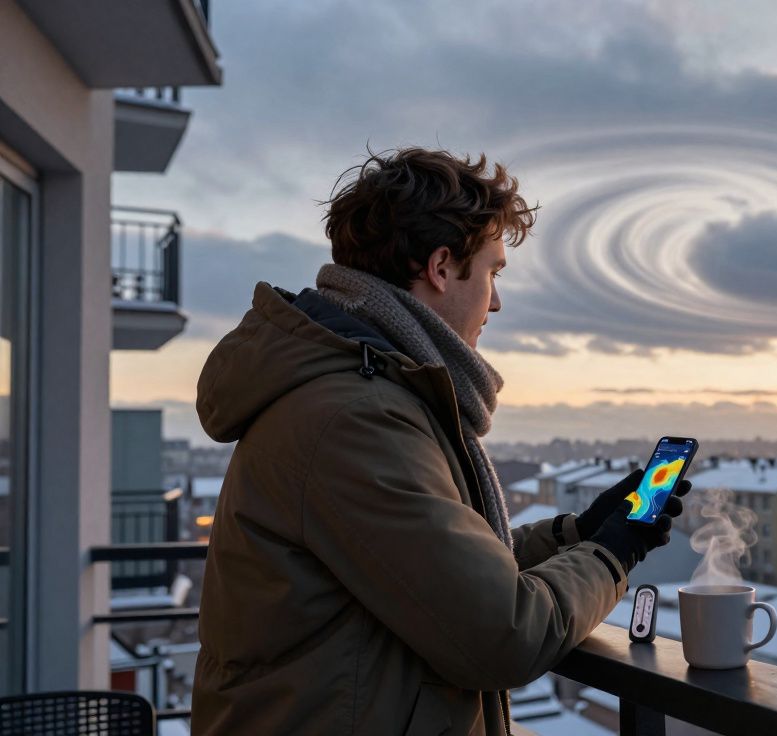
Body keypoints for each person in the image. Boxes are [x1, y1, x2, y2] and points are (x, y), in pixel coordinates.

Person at [190, 147, 690, 735]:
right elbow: (502, 634)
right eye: (493, 272)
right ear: (441, 267)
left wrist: (578, 533)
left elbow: (431, 572)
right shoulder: (356, 418)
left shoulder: (360, 391)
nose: (496, 300)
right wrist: (613, 552)